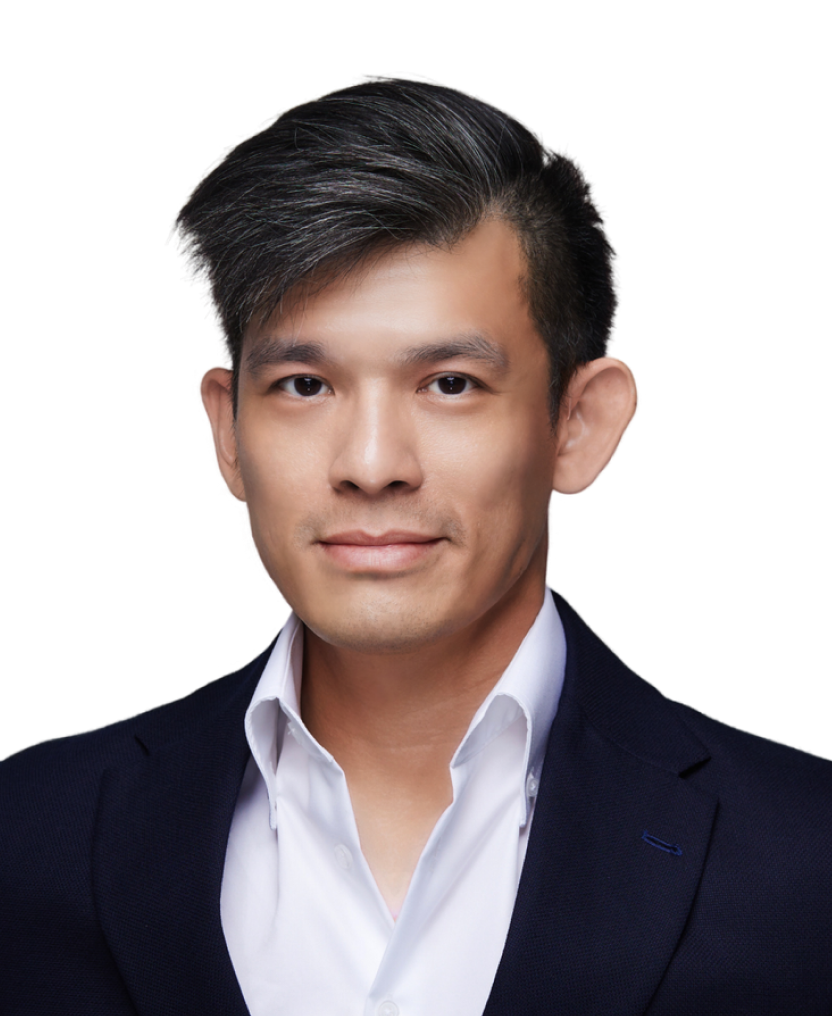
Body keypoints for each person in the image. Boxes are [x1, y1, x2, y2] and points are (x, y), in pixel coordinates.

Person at [2, 76, 830, 1016]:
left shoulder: (808, 860)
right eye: (305, 385)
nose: (370, 466)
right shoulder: (26, 834)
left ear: (577, 425)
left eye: (449, 384)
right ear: (226, 433)